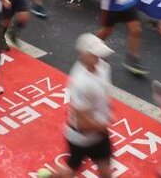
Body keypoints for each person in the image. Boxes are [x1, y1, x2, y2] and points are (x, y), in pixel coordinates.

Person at [36, 34, 116, 178]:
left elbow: (104, 94)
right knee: (70, 171)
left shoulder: (104, 67)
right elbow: (82, 124)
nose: (99, 57)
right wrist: (104, 125)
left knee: (106, 172)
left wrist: (107, 112)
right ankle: (52, 176)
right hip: (80, 138)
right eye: (94, 54)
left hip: (99, 135)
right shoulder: (81, 83)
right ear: (83, 55)